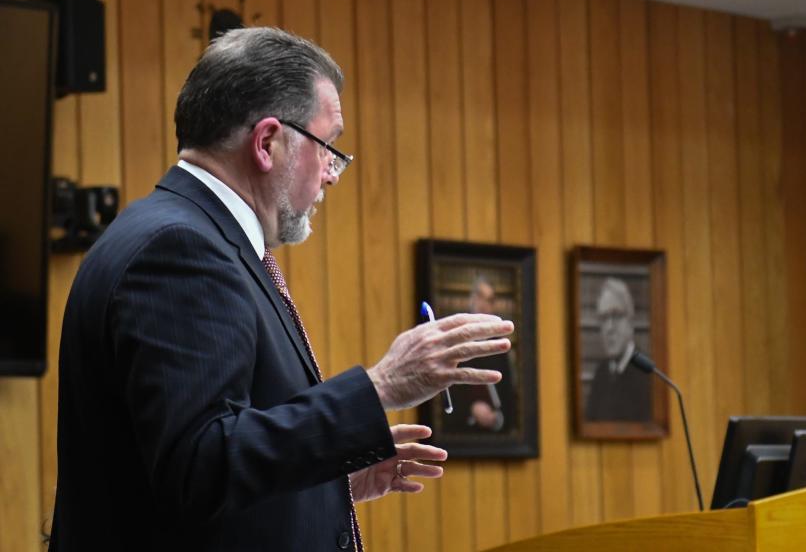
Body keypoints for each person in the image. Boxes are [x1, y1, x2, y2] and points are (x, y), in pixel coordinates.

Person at [49, 27, 513, 552]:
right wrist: (381, 385)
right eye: (328, 146)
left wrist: (324, 484)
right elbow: (198, 466)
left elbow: (195, 471)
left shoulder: (178, 233)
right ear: (267, 142)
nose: (333, 173)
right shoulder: (180, 250)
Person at [444, 276, 516, 433]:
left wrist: (497, 418)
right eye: (480, 296)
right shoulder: (456, 338)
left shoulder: (500, 344)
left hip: (495, 434)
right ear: (472, 299)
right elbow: (448, 389)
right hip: (461, 431)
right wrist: (471, 410)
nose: (484, 304)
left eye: (489, 299)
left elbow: (507, 392)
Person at [584, 277, 652, 422]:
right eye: (603, 318)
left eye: (616, 315)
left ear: (631, 321)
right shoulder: (600, 374)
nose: (609, 328)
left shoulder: (648, 373)